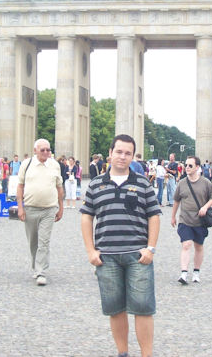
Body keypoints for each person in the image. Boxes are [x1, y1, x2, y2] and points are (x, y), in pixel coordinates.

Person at [80, 134, 161, 357]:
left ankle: (147, 355)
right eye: (119, 151)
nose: (123, 156)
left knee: (144, 309)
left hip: (138, 255)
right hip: (107, 256)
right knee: (115, 309)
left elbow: (154, 216)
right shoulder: (96, 184)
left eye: (128, 153)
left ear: (133, 156)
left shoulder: (143, 182)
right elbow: (86, 217)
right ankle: (122, 352)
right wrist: (90, 250)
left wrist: (150, 248)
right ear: (110, 152)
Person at [16, 138, 64, 286]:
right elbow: (20, 186)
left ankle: (41, 271)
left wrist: (60, 207)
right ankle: (36, 266)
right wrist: (20, 207)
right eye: (42, 150)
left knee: (44, 241)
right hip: (30, 207)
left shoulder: (55, 165)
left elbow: (59, 187)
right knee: (33, 241)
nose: (45, 152)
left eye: (48, 150)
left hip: (49, 209)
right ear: (35, 150)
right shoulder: (26, 164)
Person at [171, 156, 212, 284]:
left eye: (190, 165)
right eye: (186, 165)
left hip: (200, 221)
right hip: (185, 220)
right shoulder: (181, 183)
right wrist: (173, 216)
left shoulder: (205, 183)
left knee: (199, 246)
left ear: (197, 167)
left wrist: (205, 207)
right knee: (186, 244)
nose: (187, 167)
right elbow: (176, 200)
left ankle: (196, 272)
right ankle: (184, 273)